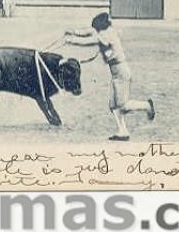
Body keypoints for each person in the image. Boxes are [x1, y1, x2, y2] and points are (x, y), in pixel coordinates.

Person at [64, 12, 155, 141]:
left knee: (122, 105)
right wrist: (73, 32)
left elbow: (90, 41)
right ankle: (122, 132)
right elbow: (88, 32)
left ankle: (147, 106)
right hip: (117, 73)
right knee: (113, 105)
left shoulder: (107, 35)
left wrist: (71, 40)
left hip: (121, 72)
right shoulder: (107, 31)